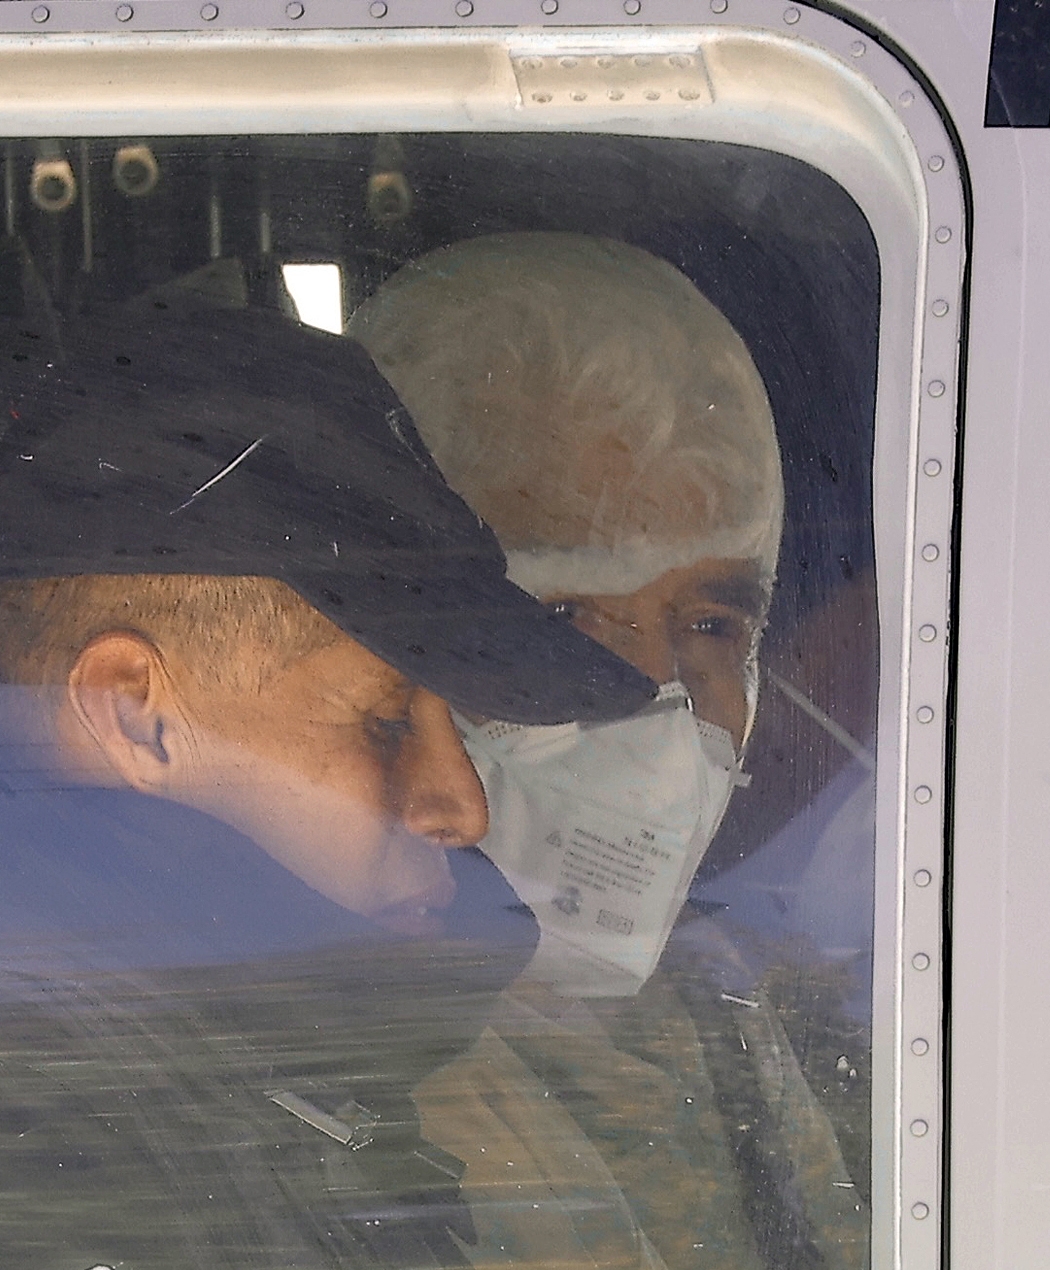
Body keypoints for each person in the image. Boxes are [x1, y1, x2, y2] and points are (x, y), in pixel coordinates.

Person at [0, 260, 658, 1269]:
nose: (464, 806)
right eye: (386, 725)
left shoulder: (196, 1055)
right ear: (135, 717)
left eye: (460, 728)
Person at [350, 233, 869, 1269]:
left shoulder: (721, 1007)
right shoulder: (336, 1080)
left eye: (710, 625)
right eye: (565, 620)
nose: (655, 713)